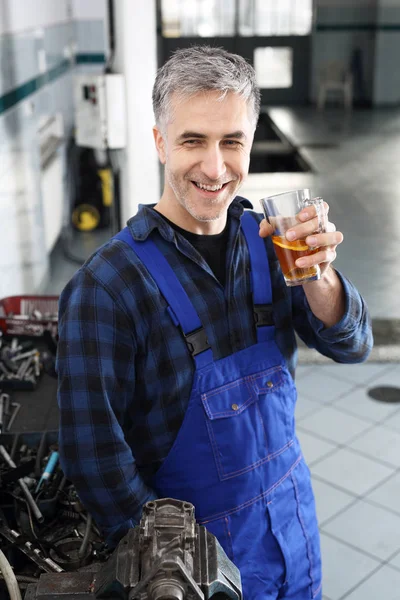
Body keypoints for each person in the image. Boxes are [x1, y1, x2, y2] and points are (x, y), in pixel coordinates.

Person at [57, 46, 372, 599]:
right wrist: (170, 573)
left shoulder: (272, 242)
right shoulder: (106, 289)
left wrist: (320, 272)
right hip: (194, 571)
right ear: (159, 142)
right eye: (192, 140)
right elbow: (96, 459)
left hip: (292, 533)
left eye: (232, 141)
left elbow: (354, 346)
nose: (215, 167)